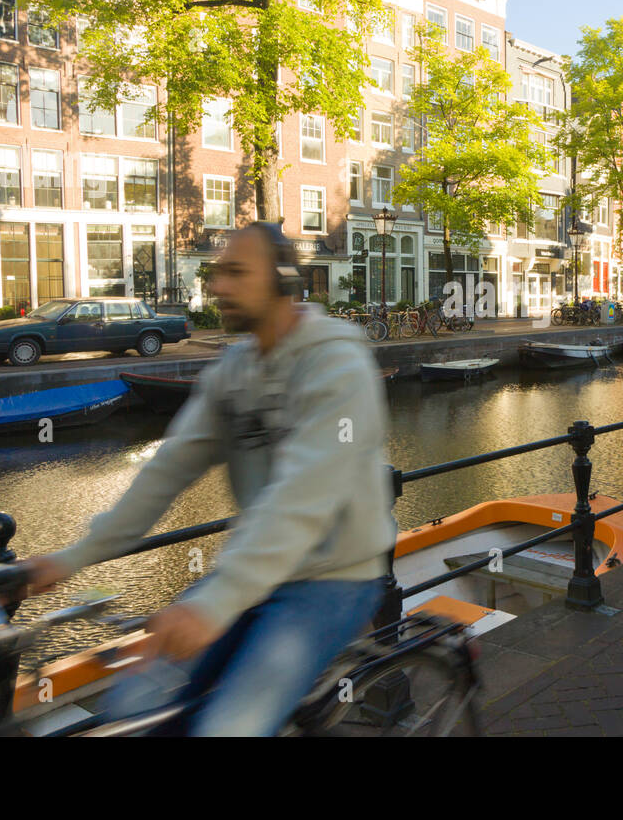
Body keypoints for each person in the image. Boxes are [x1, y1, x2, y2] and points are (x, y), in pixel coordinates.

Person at [22, 222, 396, 735]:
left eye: (237, 273)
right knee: (137, 704)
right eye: (218, 273)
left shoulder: (338, 366)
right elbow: (167, 470)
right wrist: (69, 559)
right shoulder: (235, 369)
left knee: (229, 726)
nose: (219, 287)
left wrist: (212, 607)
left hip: (334, 575)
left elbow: (304, 498)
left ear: (283, 280)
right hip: (256, 566)